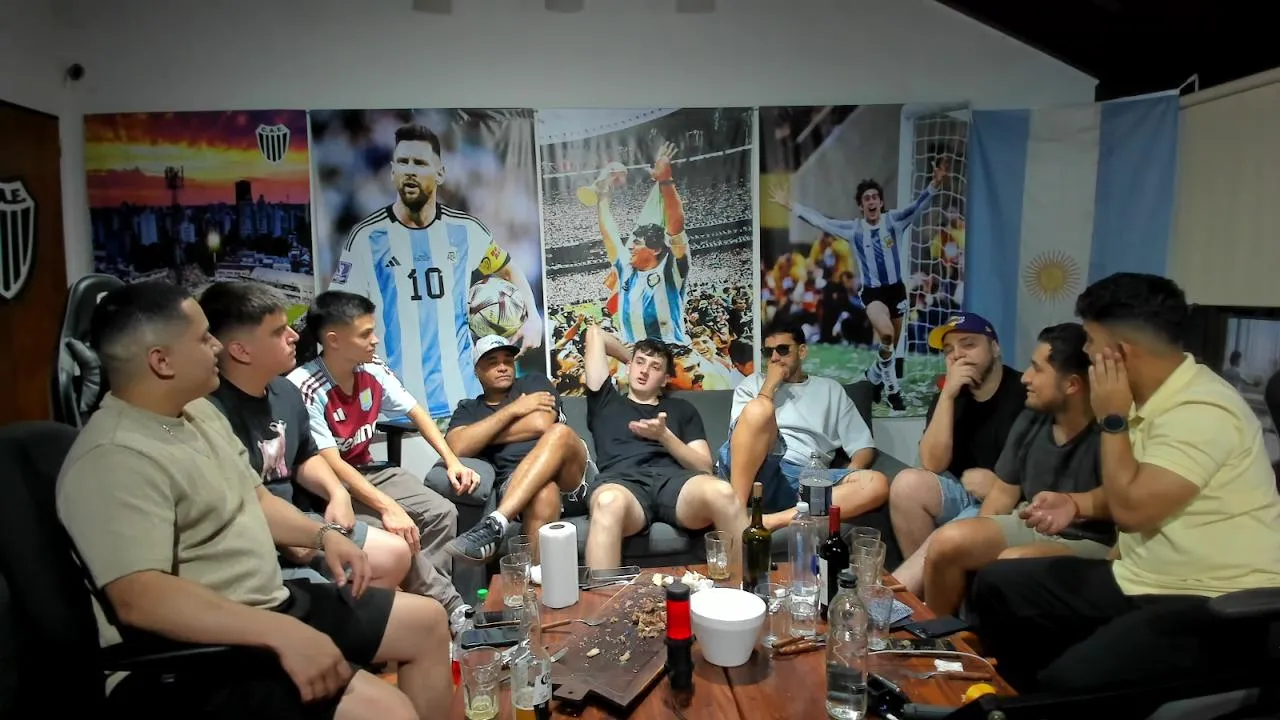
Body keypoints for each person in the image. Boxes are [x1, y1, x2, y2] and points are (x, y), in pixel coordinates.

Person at [57, 280, 449, 718]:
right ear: (161, 361)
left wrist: (324, 536)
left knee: (428, 622)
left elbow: (256, 498)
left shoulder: (197, 414)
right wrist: (280, 633)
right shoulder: (113, 455)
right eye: (203, 339)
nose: (216, 346)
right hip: (201, 652)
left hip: (269, 603)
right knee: (389, 710)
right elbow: (140, 598)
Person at [970, 273, 1280, 692]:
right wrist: (1077, 504)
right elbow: (1140, 486)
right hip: (1141, 578)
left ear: (1119, 353)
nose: (1086, 353)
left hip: (1213, 599)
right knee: (999, 585)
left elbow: (1132, 511)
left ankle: (1051, 694)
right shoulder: (1152, 398)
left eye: (1091, 342)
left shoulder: (1202, 411)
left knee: (1069, 682)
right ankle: (1024, 695)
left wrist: (1112, 420)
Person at [201, 280, 412, 590]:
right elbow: (244, 506)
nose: (294, 336)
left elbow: (306, 456)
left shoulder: (285, 391)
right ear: (241, 350)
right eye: (278, 332)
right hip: (249, 535)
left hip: (299, 520)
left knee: (396, 555)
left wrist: (337, 493)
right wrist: (302, 536)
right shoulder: (209, 412)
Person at [329, 122, 544, 420]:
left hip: (462, 401)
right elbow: (337, 310)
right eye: (403, 162)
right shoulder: (367, 237)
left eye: (419, 163)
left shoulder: (466, 230)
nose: (410, 170)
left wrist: (533, 318)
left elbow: (509, 269)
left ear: (440, 173)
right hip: (395, 409)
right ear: (392, 172)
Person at [288, 290, 475, 627]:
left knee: (441, 512)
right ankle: (449, 607)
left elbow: (415, 411)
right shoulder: (305, 386)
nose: (374, 341)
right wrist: (389, 507)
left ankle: (428, 605)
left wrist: (452, 461)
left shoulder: (372, 368)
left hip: (369, 469)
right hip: (330, 485)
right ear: (333, 340)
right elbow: (332, 463)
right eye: (365, 334)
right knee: (394, 530)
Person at [921, 323, 1115, 616]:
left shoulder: (1111, 431)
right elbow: (1003, 493)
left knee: (1012, 563)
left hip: (1090, 540)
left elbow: (1127, 502)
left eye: (1037, 369)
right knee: (948, 541)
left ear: (1072, 385)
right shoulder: (1031, 418)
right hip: (1029, 523)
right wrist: (975, 535)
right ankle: (936, 633)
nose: (1026, 377)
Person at [768, 158, 948, 410]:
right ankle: (893, 391)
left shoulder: (894, 221)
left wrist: (934, 185)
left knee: (889, 347)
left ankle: (873, 377)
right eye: (866, 199)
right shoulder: (853, 230)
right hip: (873, 294)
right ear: (861, 206)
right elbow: (820, 221)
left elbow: (918, 206)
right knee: (886, 335)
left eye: (875, 197)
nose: (871, 201)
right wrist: (791, 205)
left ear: (881, 202)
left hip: (897, 292)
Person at [581, 322, 744, 570]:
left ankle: (746, 588)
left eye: (655, 367)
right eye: (640, 363)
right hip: (622, 483)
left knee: (722, 492)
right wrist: (631, 358)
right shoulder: (604, 401)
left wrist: (664, 436)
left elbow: (703, 466)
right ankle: (605, 596)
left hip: (675, 484)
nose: (644, 370)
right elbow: (595, 334)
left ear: (666, 379)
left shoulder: (681, 409)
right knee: (607, 502)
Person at [888, 313, 1026, 594]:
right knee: (906, 483)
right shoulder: (950, 396)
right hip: (964, 492)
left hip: (1007, 499)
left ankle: (893, 597)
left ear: (995, 348)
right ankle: (928, 592)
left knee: (943, 536)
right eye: (949, 350)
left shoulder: (1025, 393)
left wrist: (1002, 486)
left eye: (969, 344)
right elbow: (932, 463)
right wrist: (948, 395)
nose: (957, 355)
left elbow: (1046, 468)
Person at [721, 320, 889, 530]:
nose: (774, 358)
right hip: (755, 469)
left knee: (877, 483)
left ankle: (771, 521)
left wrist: (850, 473)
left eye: (783, 350)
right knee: (759, 409)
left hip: (805, 477)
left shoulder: (830, 390)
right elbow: (741, 439)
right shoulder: (752, 384)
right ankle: (736, 514)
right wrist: (770, 386)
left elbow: (862, 446)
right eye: (769, 352)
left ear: (802, 351)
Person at [444, 335, 592, 569]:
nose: (502, 367)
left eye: (507, 360)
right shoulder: (469, 408)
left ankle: (496, 522)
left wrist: (482, 437)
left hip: (571, 475)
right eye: (492, 362)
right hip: (518, 486)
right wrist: (514, 409)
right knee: (544, 492)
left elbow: (541, 423)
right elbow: (457, 447)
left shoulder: (533, 383)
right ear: (477, 371)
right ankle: (534, 583)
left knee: (558, 432)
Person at [591, 142, 691, 346]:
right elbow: (609, 234)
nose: (630, 246)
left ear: (655, 249)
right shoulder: (626, 266)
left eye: (637, 243)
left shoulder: (671, 268)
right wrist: (603, 196)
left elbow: (676, 226)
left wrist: (665, 181)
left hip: (671, 354)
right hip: (635, 356)